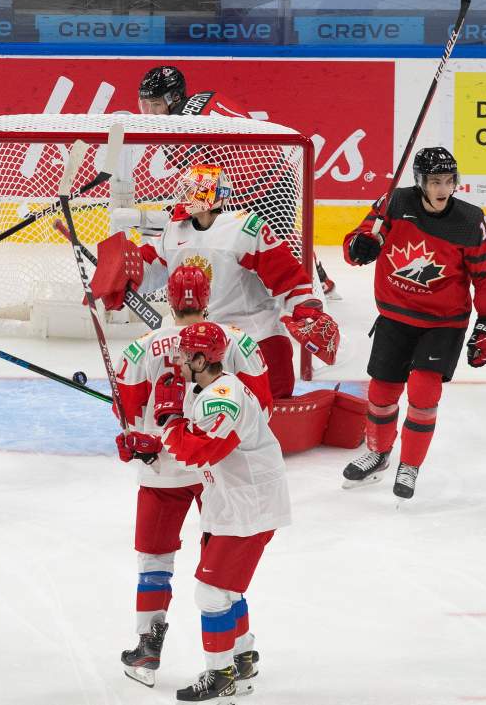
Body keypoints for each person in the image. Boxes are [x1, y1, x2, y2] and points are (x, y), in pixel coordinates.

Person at [115, 265, 271, 690]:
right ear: (208, 297)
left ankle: (147, 652)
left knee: (154, 563)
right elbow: (264, 408)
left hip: (162, 473)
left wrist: (138, 439)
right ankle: (241, 654)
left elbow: (127, 413)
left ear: (168, 296)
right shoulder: (238, 340)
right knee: (222, 573)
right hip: (217, 475)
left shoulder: (141, 347)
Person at [91, 162, 338, 401]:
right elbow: (150, 267)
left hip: (251, 338)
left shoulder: (244, 229)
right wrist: (122, 278)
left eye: (193, 190)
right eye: (186, 190)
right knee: (183, 404)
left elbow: (286, 275)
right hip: (198, 341)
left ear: (214, 197)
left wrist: (305, 309)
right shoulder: (174, 230)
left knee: (267, 409)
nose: (187, 196)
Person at [340, 146, 486, 500]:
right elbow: (358, 240)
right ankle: (379, 454)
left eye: (448, 181)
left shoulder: (471, 223)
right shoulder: (394, 204)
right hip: (396, 315)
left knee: (424, 392)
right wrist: (360, 247)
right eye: (434, 181)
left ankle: (410, 465)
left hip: (444, 322)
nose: (443, 189)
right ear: (419, 182)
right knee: (382, 392)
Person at [147, 322, 291, 702]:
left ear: (200, 359)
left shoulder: (223, 397)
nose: (176, 360)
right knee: (226, 590)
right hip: (233, 501)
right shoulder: (206, 389)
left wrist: (167, 420)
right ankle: (242, 659)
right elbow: (194, 443)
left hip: (249, 506)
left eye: (183, 354)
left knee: (210, 594)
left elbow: (199, 451)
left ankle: (220, 674)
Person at [137, 64, 338, 295]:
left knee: (264, 244)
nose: (150, 113)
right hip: (279, 174)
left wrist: (183, 209)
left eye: (156, 105)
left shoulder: (177, 125)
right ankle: (319, 280)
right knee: (281, 236)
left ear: (173, 97)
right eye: (146, 105)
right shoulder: (208, 96)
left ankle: (306, 294)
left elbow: (201, 175)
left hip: (250, 189)